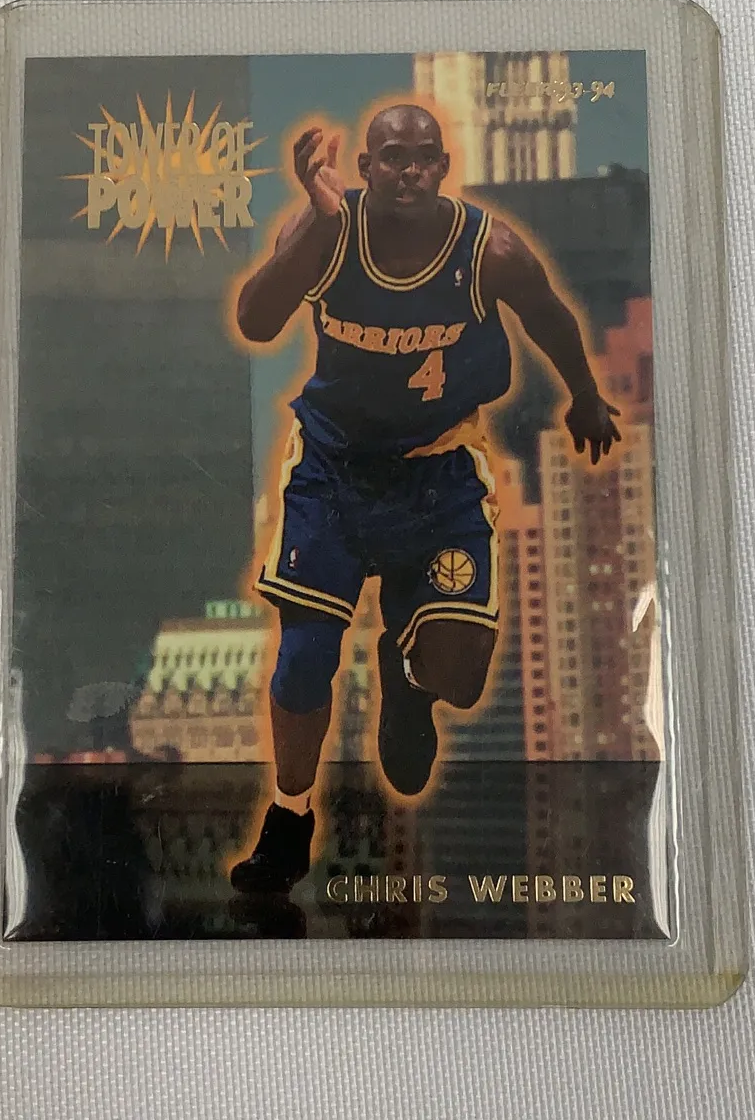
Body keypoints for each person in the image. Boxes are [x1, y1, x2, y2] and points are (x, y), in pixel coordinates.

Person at [229, 103, 619, 895]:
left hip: (437, 468)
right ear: (365, 168)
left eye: (421, 157)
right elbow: (257, 320)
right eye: (391, 157)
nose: (407, 170)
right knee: (304, 660)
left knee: (462, 676)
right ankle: (289, 819)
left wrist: (582, 395)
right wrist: (316, 220)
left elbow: (547, 315)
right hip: (334, 469)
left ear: (442, 166)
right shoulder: (327, 230)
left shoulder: (488, 249)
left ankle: (406, 681)